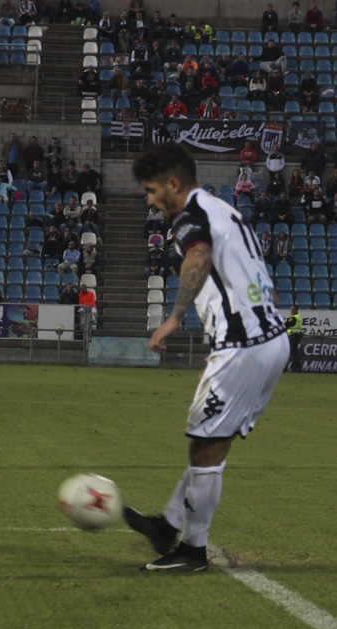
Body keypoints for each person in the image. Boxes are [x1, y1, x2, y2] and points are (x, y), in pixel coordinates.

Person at [123, 143, 289, 573]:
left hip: (244, 345)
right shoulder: (224, 210)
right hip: (266, 338)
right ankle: (169, 525)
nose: (150, 199)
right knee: (210, 442)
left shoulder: (190, 218)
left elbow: (198, 256)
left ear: (173, 184)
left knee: (205, 447)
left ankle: (193, 551)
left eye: (152, 190)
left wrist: (174, 318)